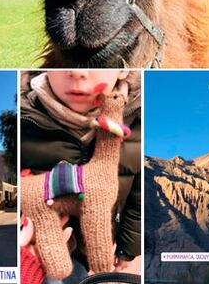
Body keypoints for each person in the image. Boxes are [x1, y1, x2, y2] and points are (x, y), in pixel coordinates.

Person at [20, 70, 142, 283]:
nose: (77, 72)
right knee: (56, 269)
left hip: (86, 255)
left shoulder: (141, 124)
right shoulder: (23, 120)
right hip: (36, 249)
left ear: (123, 71)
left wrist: (127, 248)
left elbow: (139, 197)